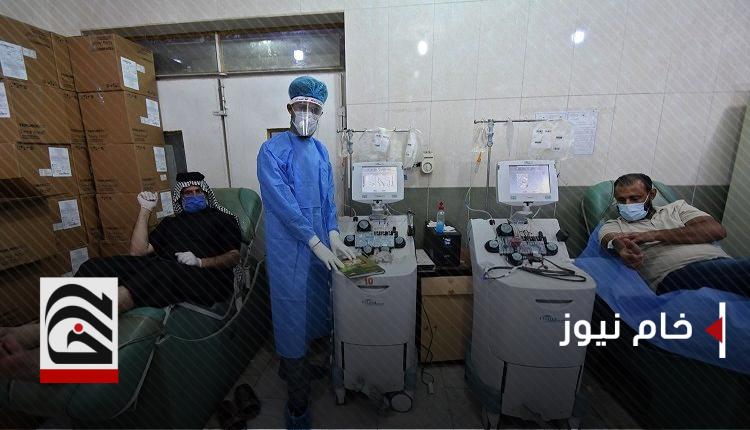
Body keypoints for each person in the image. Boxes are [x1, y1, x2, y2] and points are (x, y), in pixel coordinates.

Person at [0, 171, 242, 380]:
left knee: (159, 271)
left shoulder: (223, 219)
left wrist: (200, 261)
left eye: (198, 192)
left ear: (206, 194)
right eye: (187, 193)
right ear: (179, 198)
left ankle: (42, 348)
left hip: (206, 275)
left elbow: (233, 256)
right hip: (166, 268)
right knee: (94, 267)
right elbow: (138, 252)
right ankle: (66, 347)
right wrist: (145, 211)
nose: (193, 196)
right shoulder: (171, 224)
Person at [257, 76, 355, 429]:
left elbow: (328, 199)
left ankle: (296, 369)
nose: (308, 114)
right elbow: (284, 206)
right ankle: (297, 406)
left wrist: (333, 233)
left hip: (320, 250)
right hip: (289, 251)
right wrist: (313, 241)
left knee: (314, 309)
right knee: (291, 316)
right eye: (302, 106)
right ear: (290, 107)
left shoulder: (321, 151)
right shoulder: (271, 151)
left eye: (315, 109)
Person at [599, 173, 749, 297]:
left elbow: (716, 230)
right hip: (675, 275)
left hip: (721, 263)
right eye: (621, 200)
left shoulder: (677, 208)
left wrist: (653, 235)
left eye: (635, 198)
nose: (627, 204)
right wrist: (622, 249)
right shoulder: (613, 225)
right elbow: (613, 240)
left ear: (652, 194)